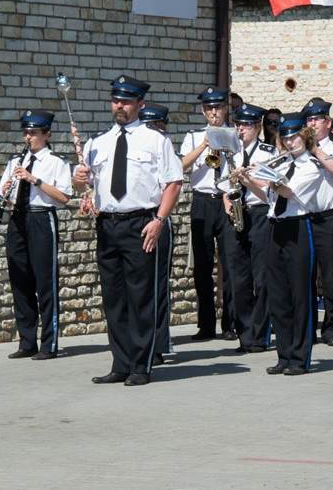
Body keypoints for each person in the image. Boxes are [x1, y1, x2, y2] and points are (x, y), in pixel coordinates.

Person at [73, 75, 182, 386]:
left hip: (141, 223)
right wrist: (80, 179)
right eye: (115, 100)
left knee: (140, 297)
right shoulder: (97, 142)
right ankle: (120, 363)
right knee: (114, 298)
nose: (119, 106)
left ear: (140, 104)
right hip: (108, 224)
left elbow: (173, 183)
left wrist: (159, 221)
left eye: (126, 101)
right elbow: (84, 185)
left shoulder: (156, 141)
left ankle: (140, 365)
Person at [239, 113, 322, 376]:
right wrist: (246, 180)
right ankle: (284, 355)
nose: (288, 142)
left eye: (293, 136)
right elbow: (269, 197)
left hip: (298, 228)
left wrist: (268, 175)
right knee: (278, 295)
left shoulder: (311, 167)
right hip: (275, 227)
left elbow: (288, 192)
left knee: (300, 296)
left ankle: (300, 358)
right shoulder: (282, 164)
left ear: (305, 137)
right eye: (285, 137)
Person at [0, 110, 72, 360]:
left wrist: (34, 180)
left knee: (45, 282)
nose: (28, 137)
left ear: (47, 134)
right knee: (20, 280)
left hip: (42, 219)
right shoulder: (14, 161)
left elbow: (64, 198)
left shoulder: (57, 162)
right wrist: (6, 191)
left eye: (33, 133)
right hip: (18, 219)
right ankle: (26, 341)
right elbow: (4, 198)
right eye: (26, 132)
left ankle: (48, 344)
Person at [179, 87, 236, 341]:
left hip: (225, 201)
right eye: (209, 109)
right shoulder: (193, 136)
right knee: (202, 265)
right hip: (202, 201)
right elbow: (180, 165)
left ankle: (230, 323)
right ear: (204, 111)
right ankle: (206, 324)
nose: (214, 112)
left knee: (231, 262)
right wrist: (205, 145)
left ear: (225, 109)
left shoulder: (234, 134)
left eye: (218, 107)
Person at [222, 102, 277, 354]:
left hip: (260, 214)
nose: (240, 129)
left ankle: (260, 334)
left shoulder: (267, 152)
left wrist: (248, 178)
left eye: (245, 125)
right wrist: (227, 201)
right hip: (237, 214)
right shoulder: (231, 153)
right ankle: (245, 336)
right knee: (238, 278)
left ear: (257, 127)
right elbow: (224, 185)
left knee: (262, 277)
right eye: (238, 125)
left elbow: (268, 189)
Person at [301, 97, 333, 346]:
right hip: (302, 218)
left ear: (328, 123)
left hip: (327, 217)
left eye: (317, 119)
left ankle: (332, 329)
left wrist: (317, 152)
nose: (312, 123)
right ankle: (308, 328)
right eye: (309, 119)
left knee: (330, 277)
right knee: (304, 276)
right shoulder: (298, 148)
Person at [138, 101, 175, 362]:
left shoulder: (163, 147)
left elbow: (172, 184)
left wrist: (160, 218)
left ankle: (159, 344)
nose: (150, 129)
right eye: (147, 124)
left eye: (155, 125)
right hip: (132, 219)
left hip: (156, 218)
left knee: (156, 286)